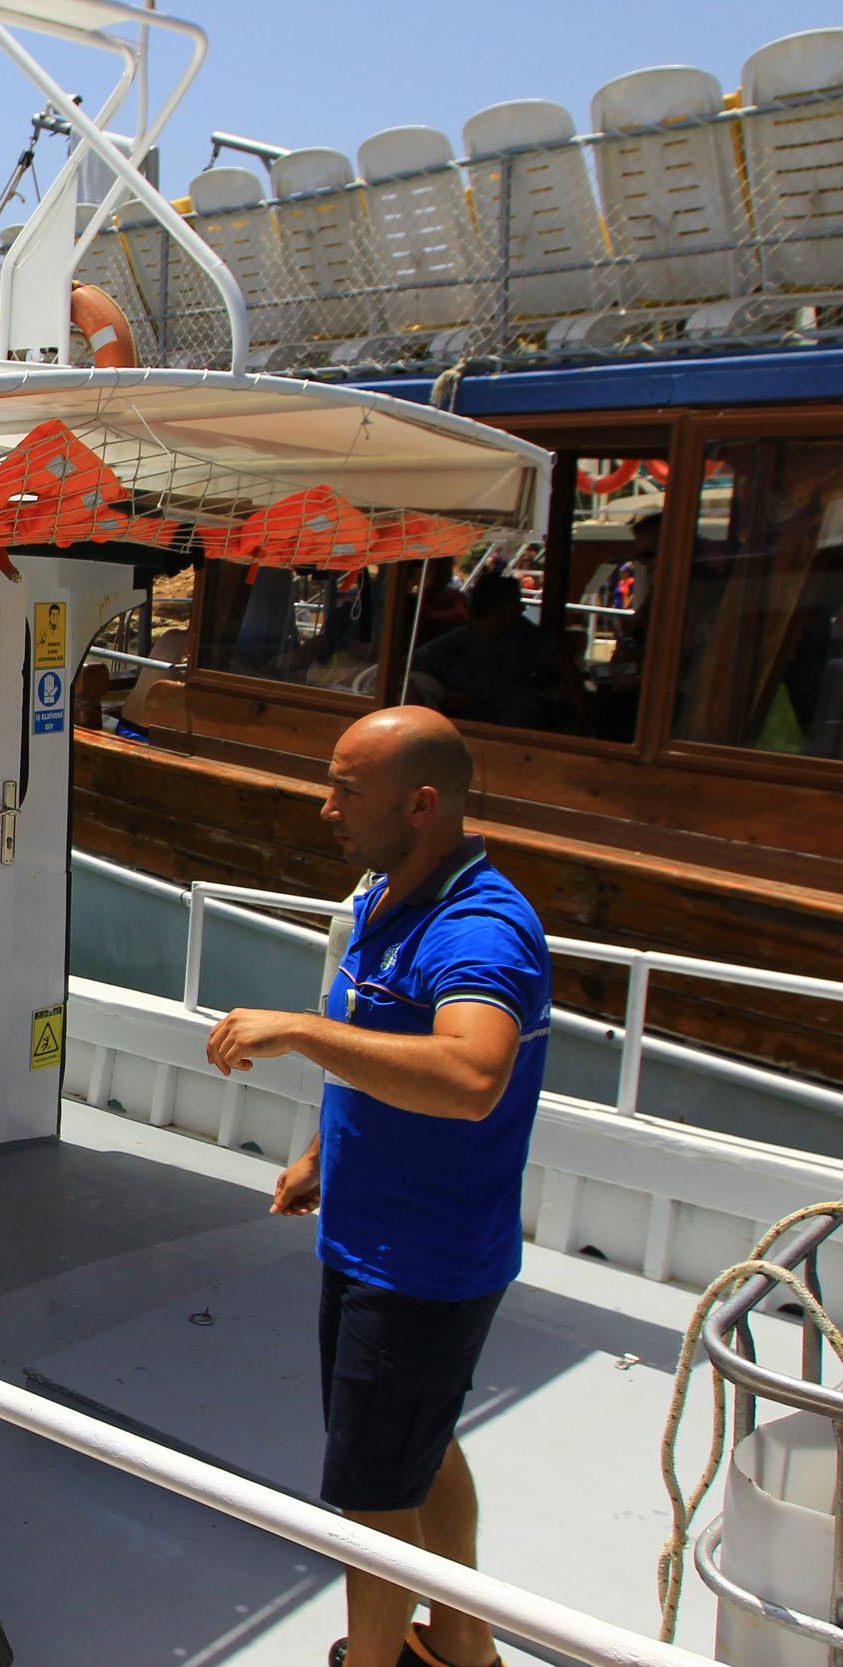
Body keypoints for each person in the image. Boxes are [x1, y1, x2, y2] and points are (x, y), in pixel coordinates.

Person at [204, 707, 550, 1667]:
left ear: (422, 803)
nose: (325, 809)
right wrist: (322, 1151)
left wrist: (300, 1033)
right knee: (422, 1442)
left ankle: (375, 1662)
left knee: (374, 1494)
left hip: (419, 1263)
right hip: (377, 1237)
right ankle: (467, 1642)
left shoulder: (479, 927)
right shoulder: (388, 894)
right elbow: (375, 1035)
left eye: (345, 790)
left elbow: (473, 1075)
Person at [407, 572, 582, 732]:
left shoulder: (524, 634)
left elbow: (562, 663)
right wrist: (445, 697)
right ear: (499, 608)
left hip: (533, 731)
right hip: (480, 736)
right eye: (516, 603)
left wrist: (583, 715)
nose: (522, 609)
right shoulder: (450, 648)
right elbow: (404, 673)